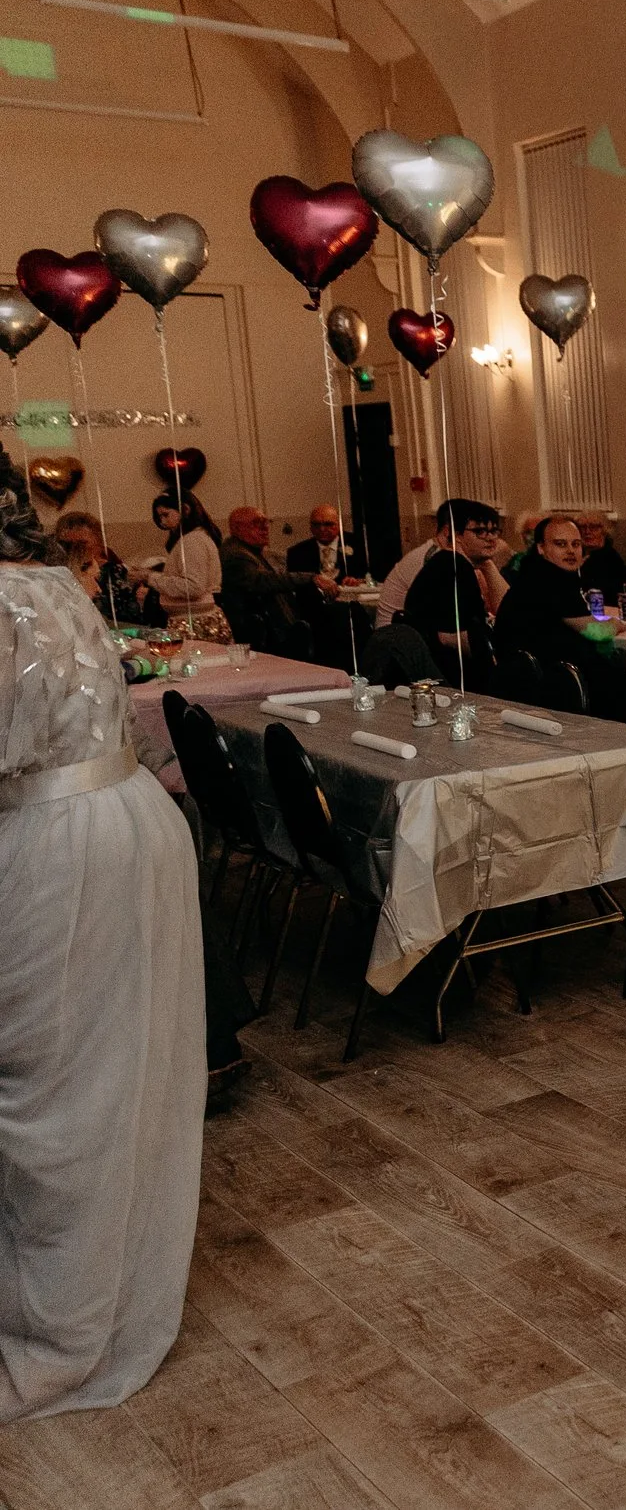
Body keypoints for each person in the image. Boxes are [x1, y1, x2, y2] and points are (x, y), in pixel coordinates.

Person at [0, 448, 204, 1421]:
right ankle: (104, 1290)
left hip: (54, 844)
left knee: (51, 1090)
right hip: (129, 821)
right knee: (112, 1073)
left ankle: (59, 1324)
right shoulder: (50, 580)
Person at [493, 516, 626, 721]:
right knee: (624, 684)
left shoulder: (530, 574)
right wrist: (616, 624)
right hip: (552, 681)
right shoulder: (552, 579)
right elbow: (597, 632)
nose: (571, 550)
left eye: (576, 544)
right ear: (541, 548)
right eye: (560, 544)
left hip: (523, 674)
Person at [400, 498, 505, 684]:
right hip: (449, 675)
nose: (490, 538)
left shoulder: (453, 561)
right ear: (457, 535)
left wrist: (487, 565)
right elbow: (461, 639)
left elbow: (506, 608)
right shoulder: (453, 566)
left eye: (494, 530)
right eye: (479, 531)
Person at [221, 504, 337, 657]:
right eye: (257, 523)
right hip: (262, 634)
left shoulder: (253, 550)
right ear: (237, 528)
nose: (265, 527)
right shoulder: (236, 554)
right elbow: (262, 581)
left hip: (273, 628)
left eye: (266, 522)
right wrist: (311, 577)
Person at [55, 510, 160, 628]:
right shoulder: (57, 576)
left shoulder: (113, 571)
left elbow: (131, 616)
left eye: (82, 543)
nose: (76, 550)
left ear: (98, 542)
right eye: (69, 545)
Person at [148, 491, 226, 638]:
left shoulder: (192, 541)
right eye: (160, 517)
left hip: (195, 622)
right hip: (193, 618)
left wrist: (150, 577)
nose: (162, 522)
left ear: (185, 510)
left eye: (165, 514)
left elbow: (193, 586)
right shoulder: (193, 539)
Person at [284, 503, 368, 585]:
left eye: (328, 524)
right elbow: (295, 586)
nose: (322, 529)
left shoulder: (359, 545)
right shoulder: (297, 553)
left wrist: (360, 581)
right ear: (310, 527)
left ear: (339, 524)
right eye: (316, 524)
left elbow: (374, 578)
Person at [574, 510, 626, 601]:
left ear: (605, 531)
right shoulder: (573, 556)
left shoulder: (611, 560)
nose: (587, 531)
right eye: (582, 527)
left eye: (594, 527)